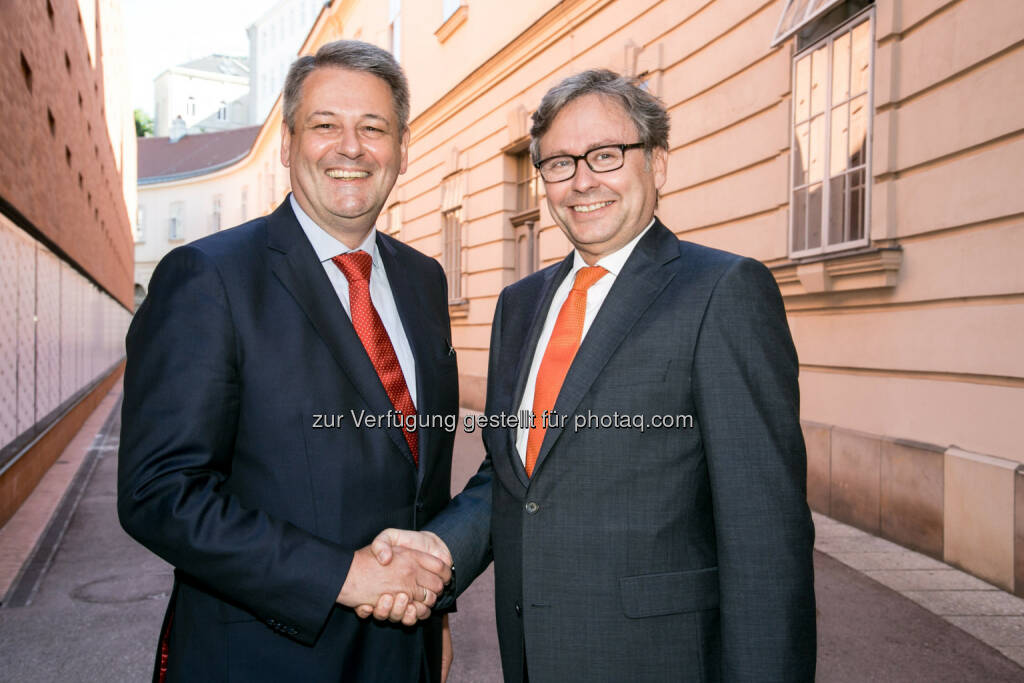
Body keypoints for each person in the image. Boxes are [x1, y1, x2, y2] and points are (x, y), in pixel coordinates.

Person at [369, 69, 817, 682]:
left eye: (606, 155)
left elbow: (766, 536)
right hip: (532, 655)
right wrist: (441, 548)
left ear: (657, 161)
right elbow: (515, 474)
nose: (582, 182)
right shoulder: (519, 304)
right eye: (558, 163)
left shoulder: (724, 292)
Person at [118, 40, 458, 682]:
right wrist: (340, 575)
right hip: (266, 655)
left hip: (402, 652)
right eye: (325, 125)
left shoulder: (424, 281)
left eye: (374, 128)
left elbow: (424, 477)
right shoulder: (208, 278)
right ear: (288, 143)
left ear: (402, 150)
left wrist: (439, 615)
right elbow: (159, 493)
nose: (350, 147)